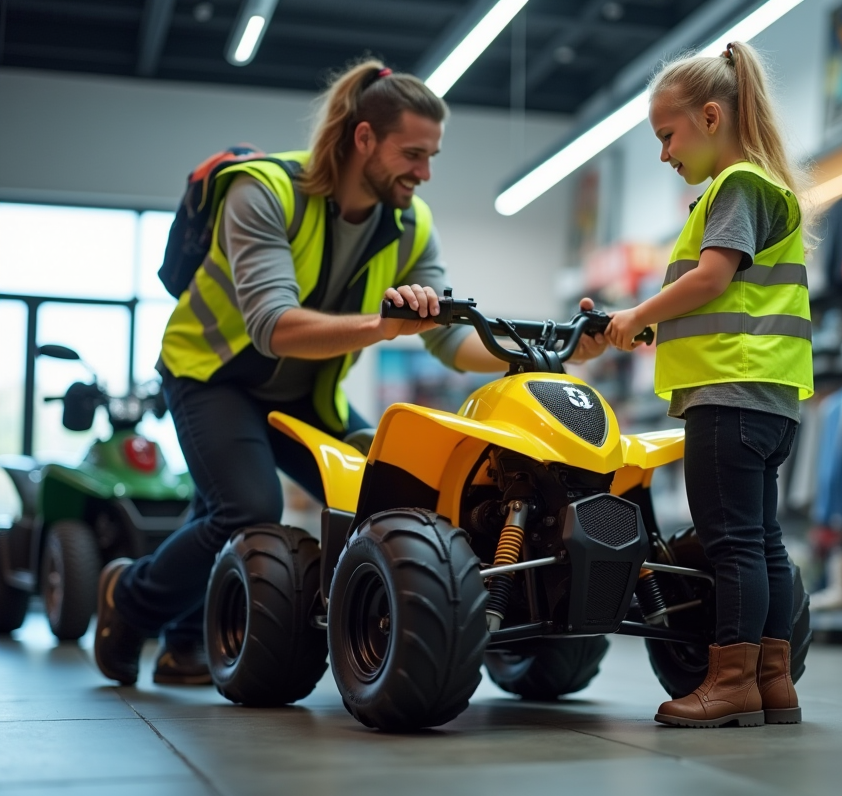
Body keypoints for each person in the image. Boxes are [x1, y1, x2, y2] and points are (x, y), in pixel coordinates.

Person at [94, 59, 605, 686]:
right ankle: (127, 601)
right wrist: (380, 327)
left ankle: (182, 644)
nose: (425, 173)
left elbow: (449, 340)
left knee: (391, 491)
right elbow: (272, 325)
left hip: (309, 393)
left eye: (432, 156)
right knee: (246, 507)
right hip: (212, 376)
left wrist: (559, 351)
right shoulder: (262, 191)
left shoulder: (410, 224)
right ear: (363, 138)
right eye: (412, 154)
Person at [604, 41, 813, 728]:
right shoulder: (764, 186)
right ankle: (773, 683)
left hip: (730, 393)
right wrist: (647, 325)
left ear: (712, 117)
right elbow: (730, 296)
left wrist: (638, 313)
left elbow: (712, 278)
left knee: (731, 544)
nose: (665, 153)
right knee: (762, 541)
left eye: (668, 135)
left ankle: (730, 684)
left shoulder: (736, 186)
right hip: (770, 396)